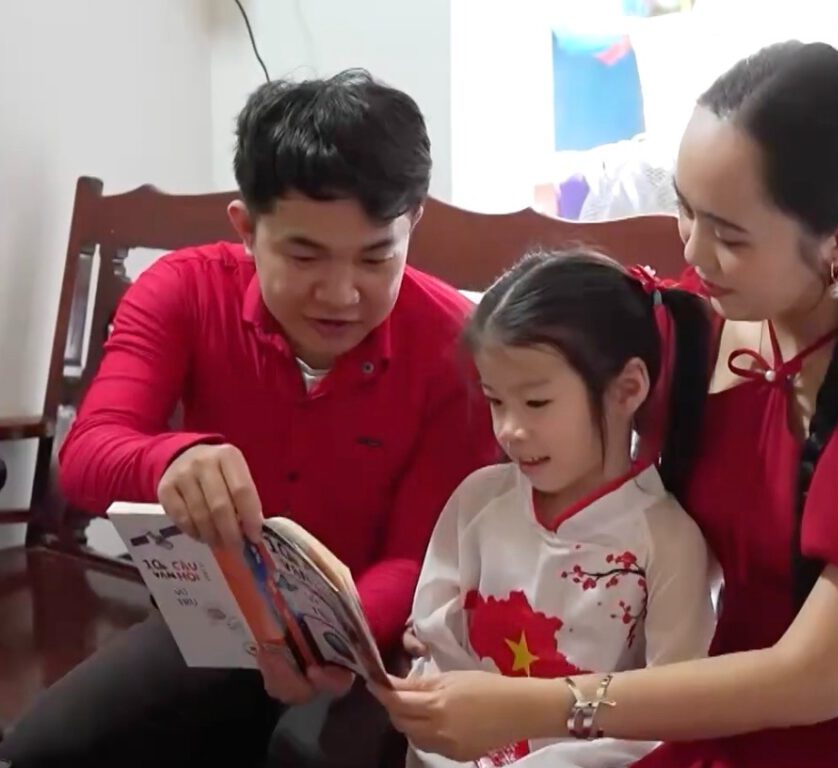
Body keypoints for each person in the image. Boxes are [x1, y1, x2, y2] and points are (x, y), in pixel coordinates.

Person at [370, 41, 838, 768]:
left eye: (730, 236)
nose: (694, 253)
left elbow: (816, 679)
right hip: (694, 684)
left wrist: (541, 704)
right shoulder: (692, 322)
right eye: (686, 210)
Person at [0, 70, 496, 768]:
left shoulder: (456, 346)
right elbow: (86, 457)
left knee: (305, 755)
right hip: (216, 614)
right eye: (304, 255)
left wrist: (321, 633)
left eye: (376, 257)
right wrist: (170, 459)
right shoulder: (181, 291)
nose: (341, 294)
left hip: (376, 639)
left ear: (412, 225)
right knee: (43, 752)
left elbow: (422, 556)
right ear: (245, 228)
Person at [405, 249, 717, 767]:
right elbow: (436, 649)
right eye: (496, 401)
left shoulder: (667, 541)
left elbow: (670, 715)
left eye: (536, 403)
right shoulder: (479, 499)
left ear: (627, 389)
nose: (510, 430)